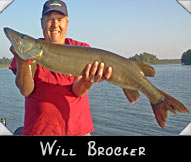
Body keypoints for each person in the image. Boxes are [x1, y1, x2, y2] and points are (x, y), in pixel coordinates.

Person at [9, 0, 112, 136]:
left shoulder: (82, 49)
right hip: (38, 131)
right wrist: (22, 61)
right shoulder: (31, 50)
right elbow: (26, 90)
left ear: (67, 23)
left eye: (60, 19)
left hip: (77, 132)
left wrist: (88, 81)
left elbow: (77, 91)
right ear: (42, 23)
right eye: (50, 19)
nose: (55, 24)